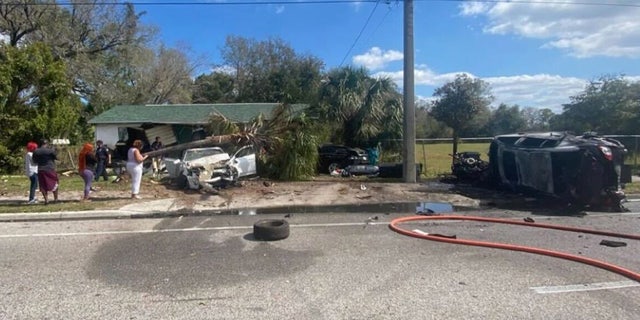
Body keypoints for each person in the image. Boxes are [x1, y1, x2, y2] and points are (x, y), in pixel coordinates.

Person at [32, 139, 59, 205]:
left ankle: (46, 200)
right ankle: (55, 199)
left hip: (41, 169)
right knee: (55, 183)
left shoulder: (36, 151)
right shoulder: (50, 151)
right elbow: (56, 157)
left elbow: (34, 161)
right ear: (46, 144)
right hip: (50, 168)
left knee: (43, 185)